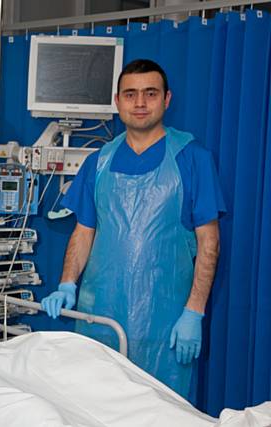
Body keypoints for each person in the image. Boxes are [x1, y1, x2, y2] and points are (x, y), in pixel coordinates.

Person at [40, 59, 225, 400]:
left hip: (165, 324)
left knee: (162, 412)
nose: (140, 103)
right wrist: (67, 282)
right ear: (118, 101)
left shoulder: (193, 158)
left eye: (150, 93)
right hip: (101, 320)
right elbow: (83, 231)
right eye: (131, 94)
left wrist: (194, 312)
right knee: (93, 408)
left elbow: (209, 242)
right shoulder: (99, 161)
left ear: (166, 99)